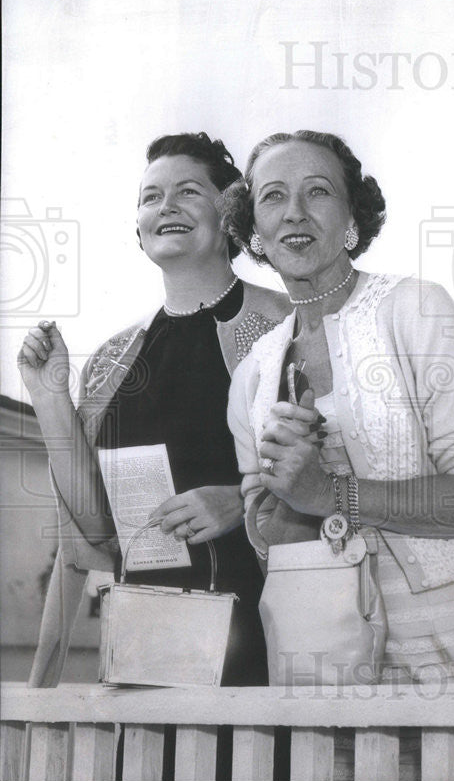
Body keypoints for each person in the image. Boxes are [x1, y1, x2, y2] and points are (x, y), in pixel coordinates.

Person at [221, 130, 454, 687]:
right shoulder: (253, 374)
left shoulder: (417, 309)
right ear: (255, 235)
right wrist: (280, 500)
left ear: (352, 219)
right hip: (321, 662)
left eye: (317, 192)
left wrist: (328, 493)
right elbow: (269, 541)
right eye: (272, 196)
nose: (294, 213)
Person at [18, 132, 291, 690]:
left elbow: (341, 469)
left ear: (230, 215)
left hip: (270, 629)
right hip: (148, 641)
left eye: (188, 191)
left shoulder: (286, 323)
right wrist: (49, 398)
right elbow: (96, 527)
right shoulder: (111, 361)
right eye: (150, 197)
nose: (165, 206)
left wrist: (244, 500)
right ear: (139, 233)